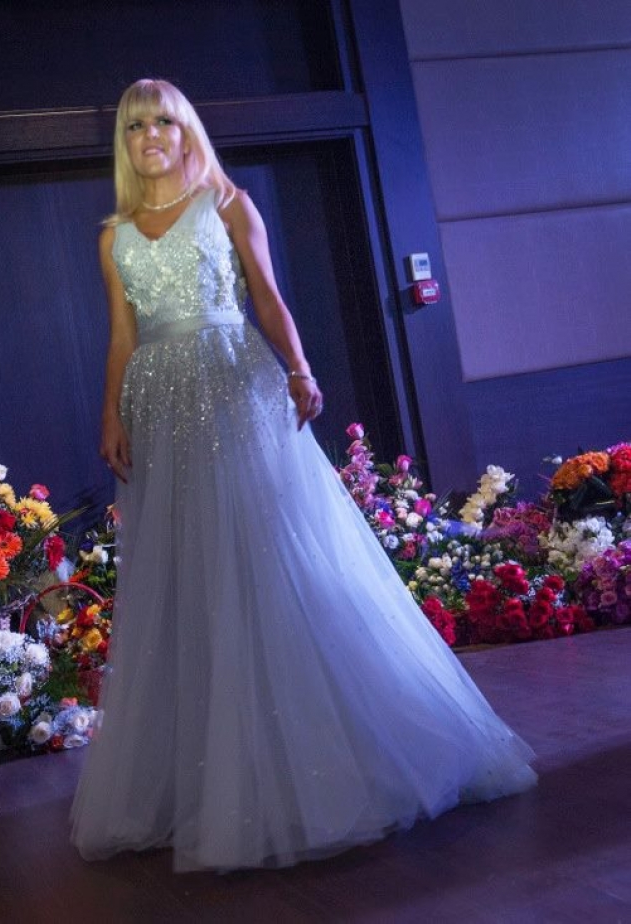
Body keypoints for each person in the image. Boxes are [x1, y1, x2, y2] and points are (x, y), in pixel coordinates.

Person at [71, 78, 536, 873]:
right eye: (136, 125)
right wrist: (112, 414)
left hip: (232, 380)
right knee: (190, 575)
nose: (150, 135)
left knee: (269, 553)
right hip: (159, 404)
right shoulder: (112, 236)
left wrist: (299, 368)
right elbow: (122, 334)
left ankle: (333, 757)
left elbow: (267, 297)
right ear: (126, 141)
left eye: (164, 122)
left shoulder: (226, 204)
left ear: (186, 132)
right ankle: (214, 775)